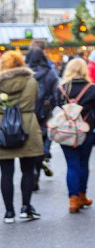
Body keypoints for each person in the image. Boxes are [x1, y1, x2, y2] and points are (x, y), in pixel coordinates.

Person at [0, 51, 44, 222]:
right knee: (28, 170)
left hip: (2, 126)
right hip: (27, 125)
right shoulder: (31, 80)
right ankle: (26, 208)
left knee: (6, 172)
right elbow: (35, 100)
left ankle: (9, 212)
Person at [57, 58, 95, 213]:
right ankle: (82, 195)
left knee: (72, 164)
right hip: (86, 130)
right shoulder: (92, 88)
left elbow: (55, 108)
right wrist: (92, 127)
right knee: (83, 163)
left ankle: (73, 199)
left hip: (65, 132)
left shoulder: (62, 88)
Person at [24, 48, 58, 185]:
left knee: (28, 145)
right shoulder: (50, 73)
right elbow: (56, 95)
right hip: (44, 114)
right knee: (41, 145)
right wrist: (49, 106)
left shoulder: (25, 73)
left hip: (28, 114)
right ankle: (37, 172)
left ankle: (30, 172)